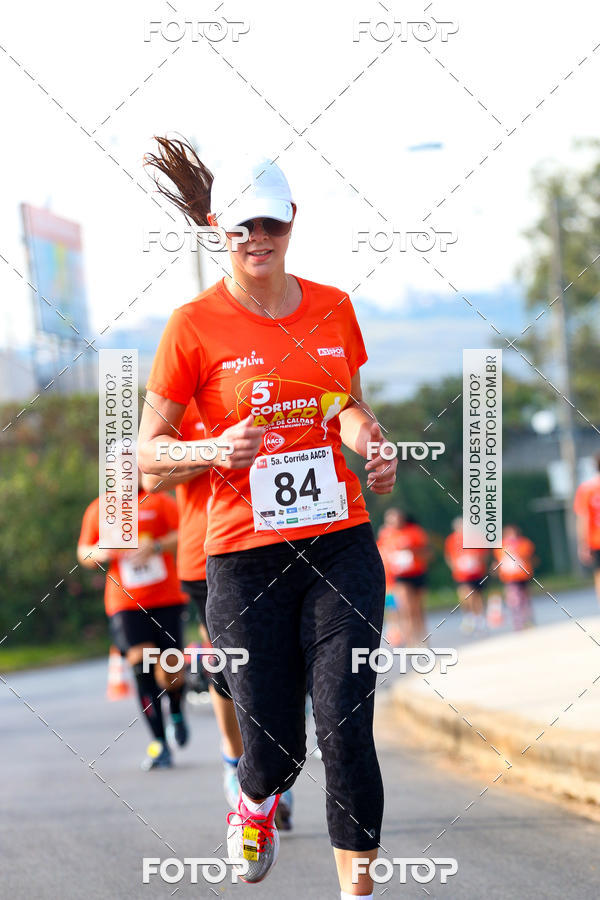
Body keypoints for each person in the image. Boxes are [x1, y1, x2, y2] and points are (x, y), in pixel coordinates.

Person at [139, 139, 397, 896]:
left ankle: (357, 890)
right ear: (221, 230)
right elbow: (147, 454)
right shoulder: (192, 328)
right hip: (244, 559)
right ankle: (253, 802)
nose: (258, 240)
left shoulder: (332, 309)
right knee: (276, 749)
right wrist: (215, 447)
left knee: (347, 726)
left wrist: (370, 446)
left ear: (292, 223)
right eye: (242, 228)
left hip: (339, 542)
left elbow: (342, 408)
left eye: (271, 226)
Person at [141, 402, 294, 828]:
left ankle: (273, 766)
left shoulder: (261, 391)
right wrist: (213, 450)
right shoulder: (179, 405)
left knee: (281, 666)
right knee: (232, 665)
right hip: (206, 555)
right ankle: (235, 760)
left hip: (275, 546)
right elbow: (151, 475)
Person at [77, 482, 188, 770]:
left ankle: (176, 709)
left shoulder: (160, 501)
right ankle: (160, 743)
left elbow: (186, 533)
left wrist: (157, 545)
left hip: (166, 598)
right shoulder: (99, 509)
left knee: (171, 672)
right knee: (141, 666)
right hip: (124, 602)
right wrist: (102, 551)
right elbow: (84, 552)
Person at [377, 508, 429, 645]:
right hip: (399, 577)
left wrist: (411, 551)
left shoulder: (414, 532)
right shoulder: (385, 535)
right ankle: (411, 642)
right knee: (406, 609)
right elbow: (382, 554)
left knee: (417, 609)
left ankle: (422, 638)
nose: (394, 522)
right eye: (390, 520)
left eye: (397, 519)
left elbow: (427, 553)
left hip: (417, 573)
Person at [444, 517, 489, 633]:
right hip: (461, 573)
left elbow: (484, 553)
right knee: (465, 594)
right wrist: (454, 566)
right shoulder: (451, 540)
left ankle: (479, 617)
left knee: (477, 595)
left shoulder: (476, 538)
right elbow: (448, 556)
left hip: (476, 572)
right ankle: (468, 616)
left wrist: (478, 562)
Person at [493, 525, 536, 631]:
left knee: (525, 598)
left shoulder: (524, 543)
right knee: (514, 599)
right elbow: (499, 560)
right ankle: (518, 621)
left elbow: (529, 556)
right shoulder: (501, 546)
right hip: (509, 577)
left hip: (523, 575)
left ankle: (528, 619)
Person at [573, 453, 600, 604]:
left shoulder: (586, 489)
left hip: (596, 540)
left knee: (598, 575)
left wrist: (583, 543)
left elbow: (583, 518)